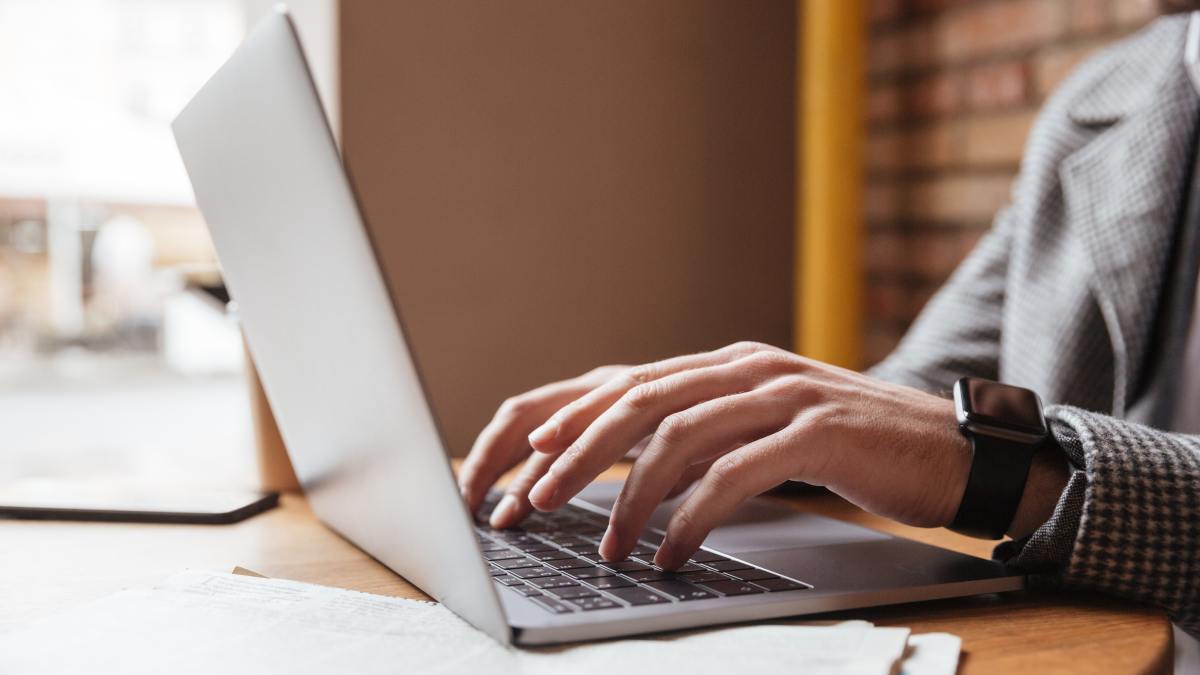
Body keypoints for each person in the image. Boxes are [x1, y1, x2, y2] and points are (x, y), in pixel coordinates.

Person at [458, 4, 1200, 636]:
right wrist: (712, 408)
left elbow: (961, 448)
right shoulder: (1106, 95)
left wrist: (1011, 473)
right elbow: (920, 393)